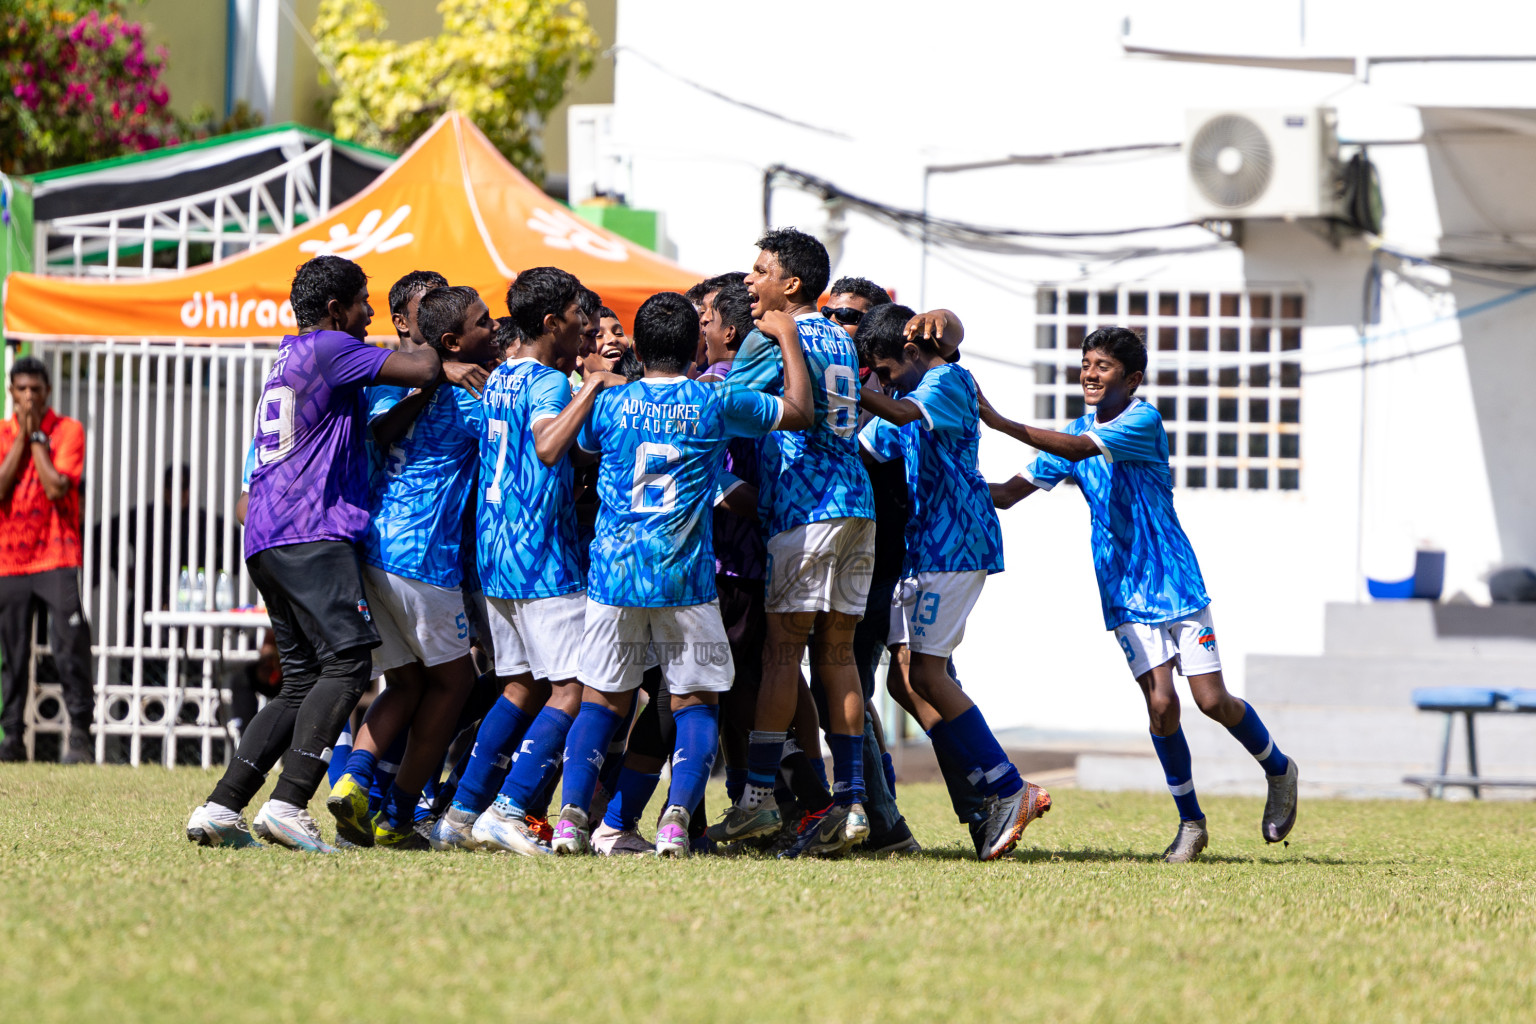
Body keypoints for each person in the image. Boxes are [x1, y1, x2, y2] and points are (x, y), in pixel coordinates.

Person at [982, 326, 1299, 863]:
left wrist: (998, 420)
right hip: (1123, 591)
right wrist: (948, 484)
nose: (1089, 373)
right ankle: (1191, 823)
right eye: (1085, 363)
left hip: (1175, 581)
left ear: (1132, 379)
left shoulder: (1139, 421)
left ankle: (1279, 768)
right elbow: (1011, 495)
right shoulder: (1075, 432)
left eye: (1102, 366)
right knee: (1160, 706)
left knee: (1211, 701)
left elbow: (1080, 448)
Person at [184, 254, 441, 852]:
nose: (372, 312)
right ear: (334, 310)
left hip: (268, 535)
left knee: (300, 681)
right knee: (349, 663)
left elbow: (372, 429)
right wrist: (433, 338)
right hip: (312, 531)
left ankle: (222, 807)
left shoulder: (293, 352)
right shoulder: (330, 346)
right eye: (363, 302)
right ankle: (289, 801)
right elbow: (424, 368)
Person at [548, 290, 813, 856]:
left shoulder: (610, 403)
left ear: (638, 347)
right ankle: (674, 822)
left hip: (615, 576)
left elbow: (587, 447)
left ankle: (571, 820)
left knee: (602, 699)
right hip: (686, 579)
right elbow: (798, 413)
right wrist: (790, 341)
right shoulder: (715, 400)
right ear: (695, 343)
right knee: (696, 702)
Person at [427, 267, 621, 854]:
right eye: (576, 315)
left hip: (496, 555)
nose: (586, 325)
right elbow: (545, 444)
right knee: (571, 689)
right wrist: (591, 388)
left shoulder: (499, 377)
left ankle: (461, 813)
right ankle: (509, 808)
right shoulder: (547, 382)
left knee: (517, 689)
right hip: (541, 557)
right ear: (550, 322)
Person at [856, 303, 1051, 860]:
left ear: (912, 353)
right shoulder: (906, 397)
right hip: (927, 551)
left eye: (887, 372)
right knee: (906, 681)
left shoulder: (946, 380)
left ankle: (1010, 789)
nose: (884, 384)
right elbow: (870, 446)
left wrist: (834, 385)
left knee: (928, 674)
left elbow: (902, 416)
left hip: (954, 545)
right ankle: (994, 794)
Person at [710, 228, 877, 857]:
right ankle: (852, 803)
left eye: (759, 271)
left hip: (805, 509)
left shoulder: (772, 334)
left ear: (792, 284)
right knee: (837, 655)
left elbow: (724, 406)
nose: (749, 281)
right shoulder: (838, 334)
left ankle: (754, 799)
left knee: (782, 656)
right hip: (856, 505)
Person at [326, 285, 498, 849]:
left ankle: (354, 777)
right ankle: (399, 813)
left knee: (402, 681)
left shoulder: (389, 383)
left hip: (373, 548)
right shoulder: (473, 391)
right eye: (483, 321)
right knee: (454, 683)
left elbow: (379, 431)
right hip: (425, 555)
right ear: (452, 341)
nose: (492, 327)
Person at [0, 356, 92, 764]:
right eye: (21, 389)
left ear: (48, 392)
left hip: (57, 553)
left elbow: (57, 487)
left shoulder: (67, 430)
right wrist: (22, 436)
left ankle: (79, 735)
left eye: (36, 390)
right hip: (11, 560)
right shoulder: (3, 434)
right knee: (13, 653)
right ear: (11, 392)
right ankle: (13, 737)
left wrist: (36, 435)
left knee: (69, 645)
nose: (29, 397)